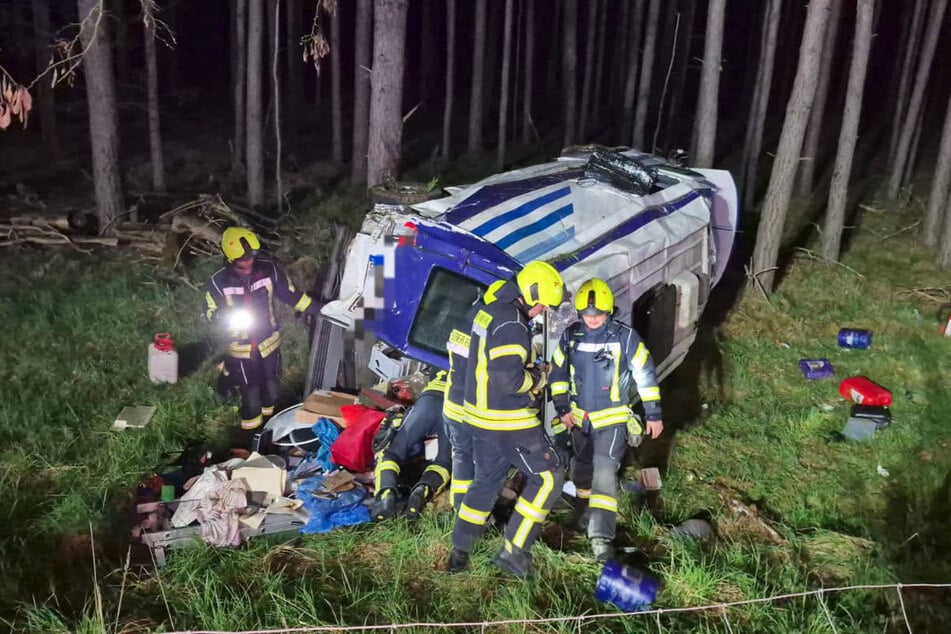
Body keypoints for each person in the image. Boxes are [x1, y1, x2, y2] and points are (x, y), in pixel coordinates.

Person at [448, 261, 566, 578]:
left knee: (486, 481)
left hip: (477, 417)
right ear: (530, 294)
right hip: (507, 419)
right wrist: (537, 380)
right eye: (542, 303)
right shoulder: (513, 325)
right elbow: (507, 380)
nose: (542, 311)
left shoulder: (487, 310)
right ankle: (513, 553)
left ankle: (459, 553)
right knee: (550, 477)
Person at [549, 278, 664, 562]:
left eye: (598, 314)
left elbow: (645, 376)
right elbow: (558, 374)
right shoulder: (570, 336)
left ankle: (601, 538)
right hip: (577, 420)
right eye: (587, 315)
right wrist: (562, 408)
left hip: (611, 421)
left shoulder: (625, 337)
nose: (593, 319)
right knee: (582, 470)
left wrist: (653, 413)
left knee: (604, 474)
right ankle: (583, 514)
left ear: (609, 310)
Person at [204, 227, 318, 430]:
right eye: (243, 260)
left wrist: (319, 308)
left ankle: (270, 427)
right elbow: (210, 313)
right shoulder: (217, 282)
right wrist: (223, 316)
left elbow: (291, 295)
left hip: (269, 344)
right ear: (231, 259)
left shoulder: (269, 269)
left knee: (272, 393)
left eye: (252, 257)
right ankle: (251, 436)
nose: (249, 263)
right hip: (240, 350)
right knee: (251, 396)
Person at [443, 280, 506, 512]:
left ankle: (459, 510)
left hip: (452, 405)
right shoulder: (490, 331)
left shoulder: (462, 324)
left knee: (461, 458)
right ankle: (475, 515)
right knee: (482, 464)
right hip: (471, 409)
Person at [371, 372, 452, 521]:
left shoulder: (451, 353)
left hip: (429, 400)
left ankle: (385, 492)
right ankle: (424, 489)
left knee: (392, 454)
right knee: (442, 462)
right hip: (455, 408)